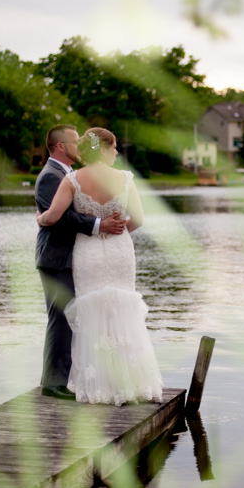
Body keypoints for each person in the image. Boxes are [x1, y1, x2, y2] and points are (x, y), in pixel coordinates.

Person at [37, 127, 163, 405]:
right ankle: (131, 382)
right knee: (122, 311)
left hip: (88, 251)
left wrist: (40, 218)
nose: (117, 152)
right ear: (104, 148)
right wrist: (118, 235)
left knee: (93, 313)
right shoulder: (125, 179)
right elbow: (139, 219)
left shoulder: (72, 180)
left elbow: (54, 216)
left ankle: (97, 385)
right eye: (114, 146)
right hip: (120, 250)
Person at [35, 124, 126, 400]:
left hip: (71, 256)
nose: (81, 147)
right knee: (60, 318)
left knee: (71, 317)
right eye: (76, 142)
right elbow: (61, 218)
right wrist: (100, 225)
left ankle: (69, 377)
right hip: (56, 257)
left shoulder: (69, 175)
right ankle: (52, 383)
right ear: (61, 146)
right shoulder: (51, 176)